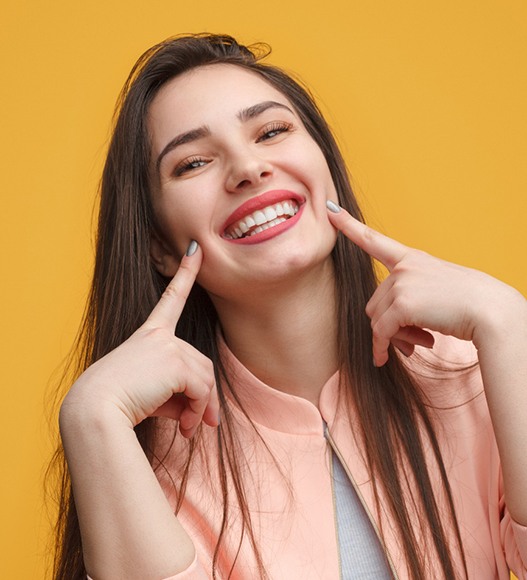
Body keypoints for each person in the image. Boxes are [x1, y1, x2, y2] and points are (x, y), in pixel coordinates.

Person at [53, 34, 527, 579]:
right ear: (159, 244)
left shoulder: (472, 372)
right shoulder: (145, 458)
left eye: (272, 131)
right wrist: (90, 418)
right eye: (192, 162)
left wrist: (509, 322)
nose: (248, 167)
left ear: (324, 165)